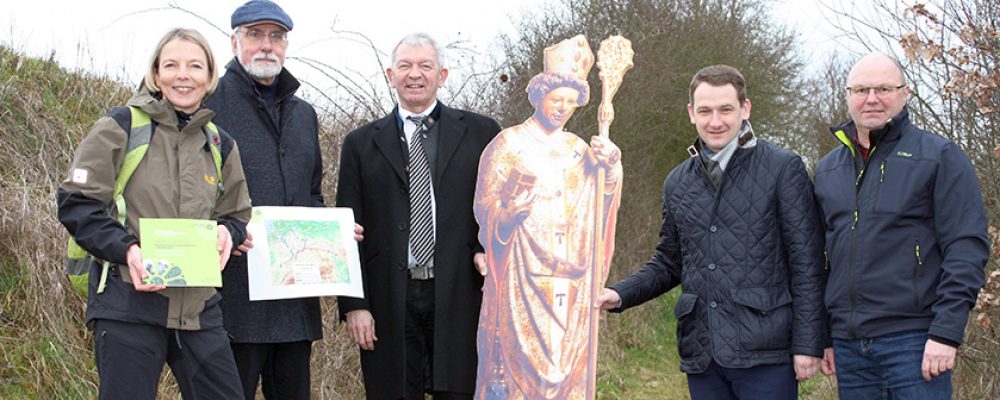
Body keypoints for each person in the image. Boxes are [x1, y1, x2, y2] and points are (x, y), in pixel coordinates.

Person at [596, 65, 827, 399]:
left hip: (766, 351)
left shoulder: (783, 168)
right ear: (691, 113)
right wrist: (619, 294)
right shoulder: (678, 182)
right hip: (702, 352)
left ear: (745, 109)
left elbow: (807, 262)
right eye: (705, 111)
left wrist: (809, 343)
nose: (715, 121)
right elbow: (669, 262)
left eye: (725, 110)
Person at [56, 28, 251, 399]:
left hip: (199, 309)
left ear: (209, 77)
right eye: (171, 65)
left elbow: (237, 214)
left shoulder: (219, 143)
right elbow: (76, 202)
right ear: (156, 74)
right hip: (128, 304)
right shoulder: (121, 126)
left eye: (195, 66)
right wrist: (128, 249)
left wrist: (228, 233)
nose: (183, 75)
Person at [203, 2, 357, 398]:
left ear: (286, 44)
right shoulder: (209, 105)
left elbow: (310, 194)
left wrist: (333, 235)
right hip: (232, 299)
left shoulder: (303, 113)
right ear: (234, 41)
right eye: (255, 35)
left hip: (293, 300)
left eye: (276, 37)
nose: (266, 46)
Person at [335, 33, 501, 399]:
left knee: (459, 391)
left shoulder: (483, 134)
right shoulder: (360, 143)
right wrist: (354, 305)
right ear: (391, 74)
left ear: (442, 75)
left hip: (461, 293)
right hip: (388, 299)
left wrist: (482, 247)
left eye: (425, 66)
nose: (415, 74)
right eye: (406, 66)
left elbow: (500, 208)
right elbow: (346, 230)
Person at [814, 53, 988, 399]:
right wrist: (824, 337)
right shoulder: (828, 169)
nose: (872, 98)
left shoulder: (939, 156)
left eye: (884, 88)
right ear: (847, 95)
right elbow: (820, 259)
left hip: (915, 341)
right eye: (861, 89)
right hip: (849, 348)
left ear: (905, 93)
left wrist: (946, 332)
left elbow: (966, 246)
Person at [472, 35, 622, 399]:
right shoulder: (508, 144)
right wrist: (506, 216)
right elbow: (485, 208)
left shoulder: (580, 150)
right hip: (520, 279)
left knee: (564, 366)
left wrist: (612, 168)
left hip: (569, 277)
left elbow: (600, 204)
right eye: (557, 100)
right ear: (539, 97)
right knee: (513, 369)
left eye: (571, 103)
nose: (563, 109)